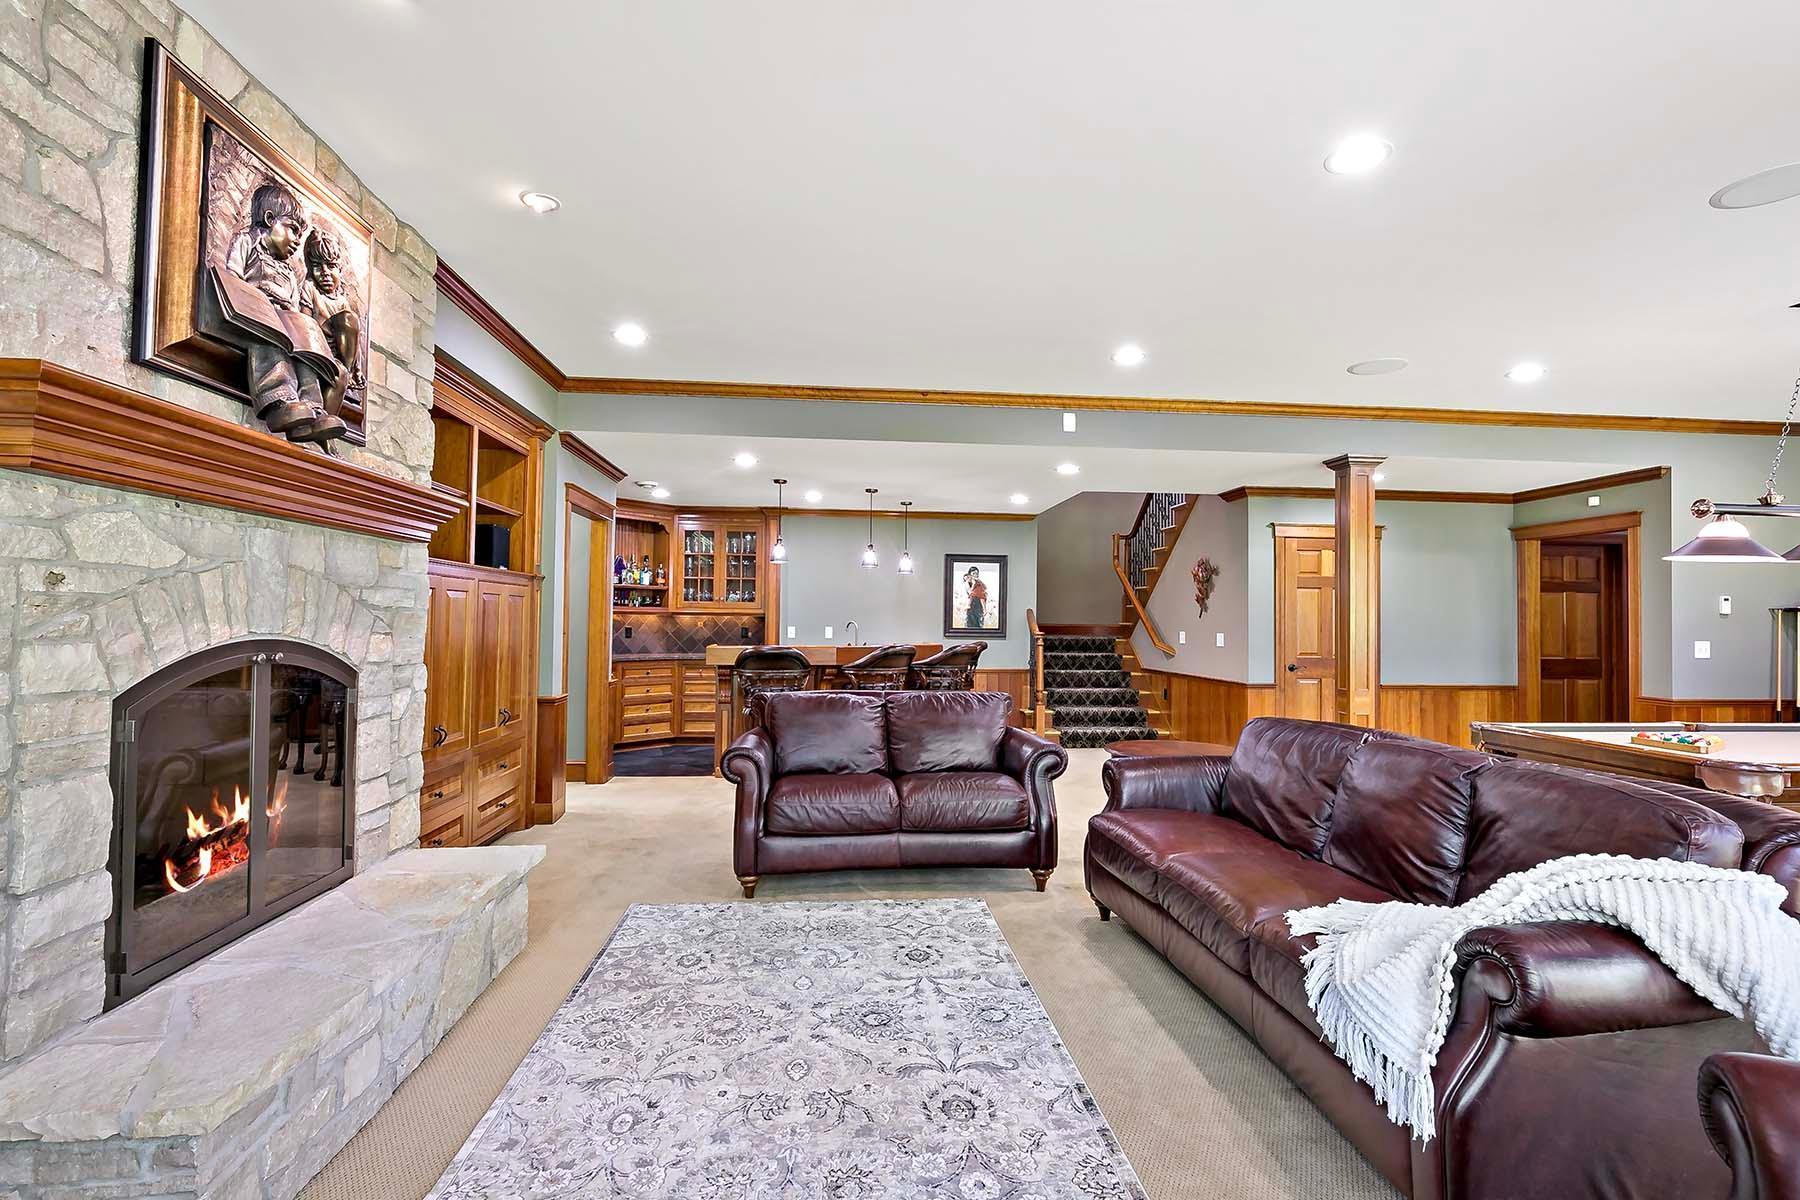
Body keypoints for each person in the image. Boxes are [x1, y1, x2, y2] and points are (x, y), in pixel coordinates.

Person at [301, 227, 366, 393]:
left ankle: (349, 371)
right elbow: (304, 323)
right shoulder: (310, 288)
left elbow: (354, 339)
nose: (325, 273)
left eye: (331, 266)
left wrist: (357, 368)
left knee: (348, 320)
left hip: (339, 359)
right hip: (319, 350)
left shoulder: (342, 301)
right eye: (317, 266)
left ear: (339, 269)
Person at [225, 181, 305, 310]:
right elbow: (232, 279)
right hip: (252, 315)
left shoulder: (289, 273)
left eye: (300, 235)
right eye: (293, 229)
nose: (298, 241)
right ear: (270, 219)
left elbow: (295, 310)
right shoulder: (246, 242)